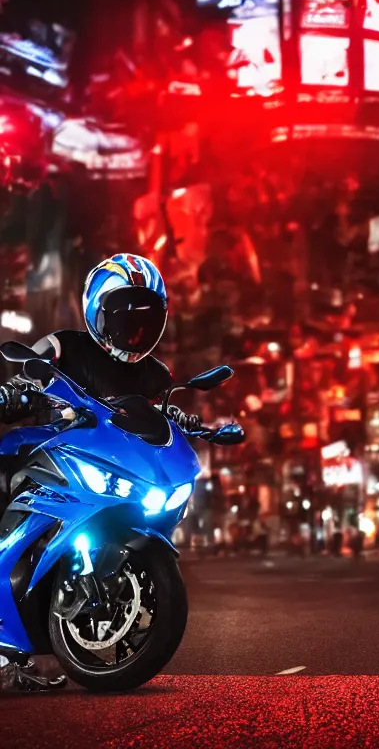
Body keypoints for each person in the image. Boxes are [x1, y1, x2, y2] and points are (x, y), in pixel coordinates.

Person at [0, 253, 202, 691]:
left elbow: (157, 414)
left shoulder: (154, 373)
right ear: (98, 310)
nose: (136, 329)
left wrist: (189, 423)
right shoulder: (65, 346)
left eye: (146, 319)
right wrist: (14, 392)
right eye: (126, 315)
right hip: (48, 444)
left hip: (103, 464)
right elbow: (30, 371)